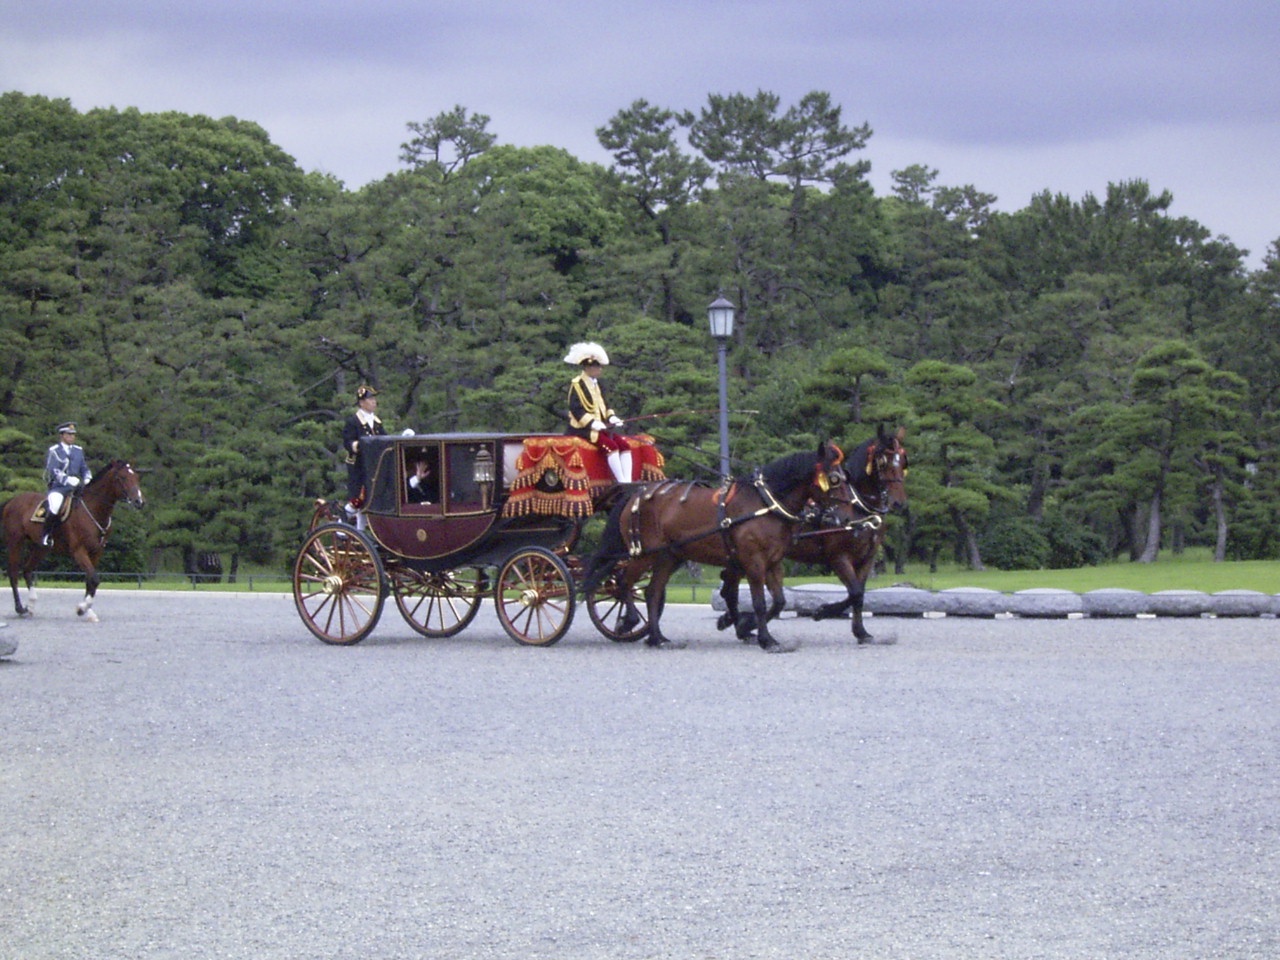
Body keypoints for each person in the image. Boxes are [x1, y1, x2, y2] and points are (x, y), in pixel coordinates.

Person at [564, 341, 632, 484]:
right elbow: (575, 408)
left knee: (624, 446)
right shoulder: (577, 384)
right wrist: (592, 423)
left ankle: (629, 480)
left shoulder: (598, 383)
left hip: (601, 426)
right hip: (582, 428)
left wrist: (612, 417)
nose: (599, 370)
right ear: (588, 367)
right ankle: (621, 482)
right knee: (611, 447)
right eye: (596, 367)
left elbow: (604, 405)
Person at [43, 421, 92, 546]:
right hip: (59, 487)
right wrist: (67, 479)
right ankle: (47, 534)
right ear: (62, 435)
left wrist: (87, 477)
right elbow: (53, 470)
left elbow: (83, 467)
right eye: (69, 434)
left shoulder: (78, 450)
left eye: (73, 434)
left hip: (76, 487)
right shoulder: (54, 450)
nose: (72, 437)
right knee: (55, 506)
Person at [342, 384, 386, 521]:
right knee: (358, 499)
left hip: (373, 465)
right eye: (370, 399)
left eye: (374, 398)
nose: (374, 401)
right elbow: (348, 442)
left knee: (369, 499)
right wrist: (360, 445)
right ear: (362, 403)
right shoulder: (353, 421)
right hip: (359, 466)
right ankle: (341, 522)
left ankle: (360, 532)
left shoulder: (377, 422)